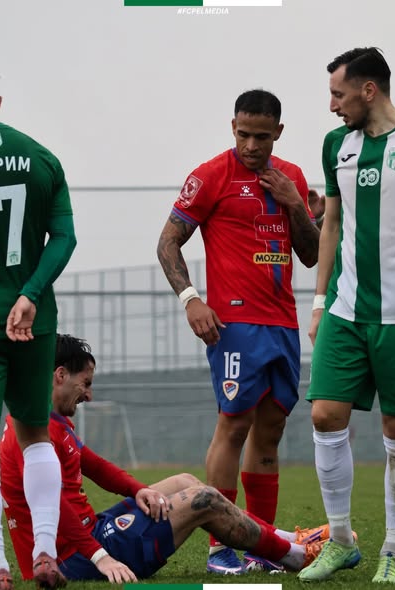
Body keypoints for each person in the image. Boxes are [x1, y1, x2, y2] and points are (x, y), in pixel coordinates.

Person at [0, 334, 331, 583]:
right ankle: (295, 555)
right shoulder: (31, 432)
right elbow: (53, 506)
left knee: (185, 482)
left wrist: (138, 490)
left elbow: (96, 467)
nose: (89, 394)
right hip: (74, 558)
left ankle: (287, 538)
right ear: (60, 375)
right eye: (85, 383)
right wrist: (100, 557)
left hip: (90, 534)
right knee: (203, 499)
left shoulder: (46, 421)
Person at [157, 89, 321, 574]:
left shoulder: (291, 177)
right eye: (244, 134)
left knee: (271, 431)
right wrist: (191, 299)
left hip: (282, 323)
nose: (252, 145)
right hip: (234, 325)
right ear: (233, 127)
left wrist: (296, 206)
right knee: (233, 426)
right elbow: (167, 243)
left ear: (278, 133)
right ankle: (220, 548)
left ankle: (262, 547)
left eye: (262, 136)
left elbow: (311, 254)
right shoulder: (210, 175)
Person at [298, 47, 395, 585]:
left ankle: (393, 552)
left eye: (339, 94)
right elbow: (331, 225)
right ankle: (340, 542)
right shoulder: (337, 145)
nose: (332, 105)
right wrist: (318, 302)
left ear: (369, 90)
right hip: (346, 309)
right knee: (324, 415)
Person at [0, 56, 77, 590]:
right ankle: (46, 554)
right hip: (35, 316)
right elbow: (65, 238)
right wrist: (30, 294)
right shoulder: (42, 156)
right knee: (36, 435)